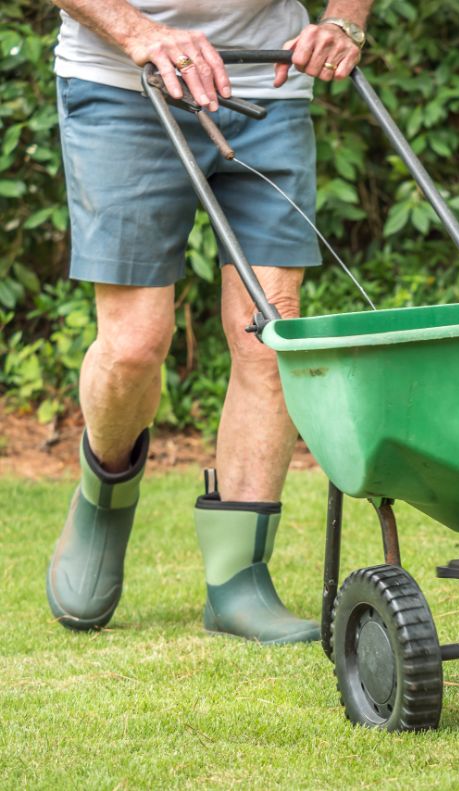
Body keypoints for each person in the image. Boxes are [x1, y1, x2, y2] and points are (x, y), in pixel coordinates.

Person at [45, 0, 371, 643]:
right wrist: (138, 31)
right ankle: (104, 500)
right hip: (122, 85)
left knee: (268, 334)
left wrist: (345, 20)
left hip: (266, 83)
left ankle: (236, 580)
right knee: (135, 343)